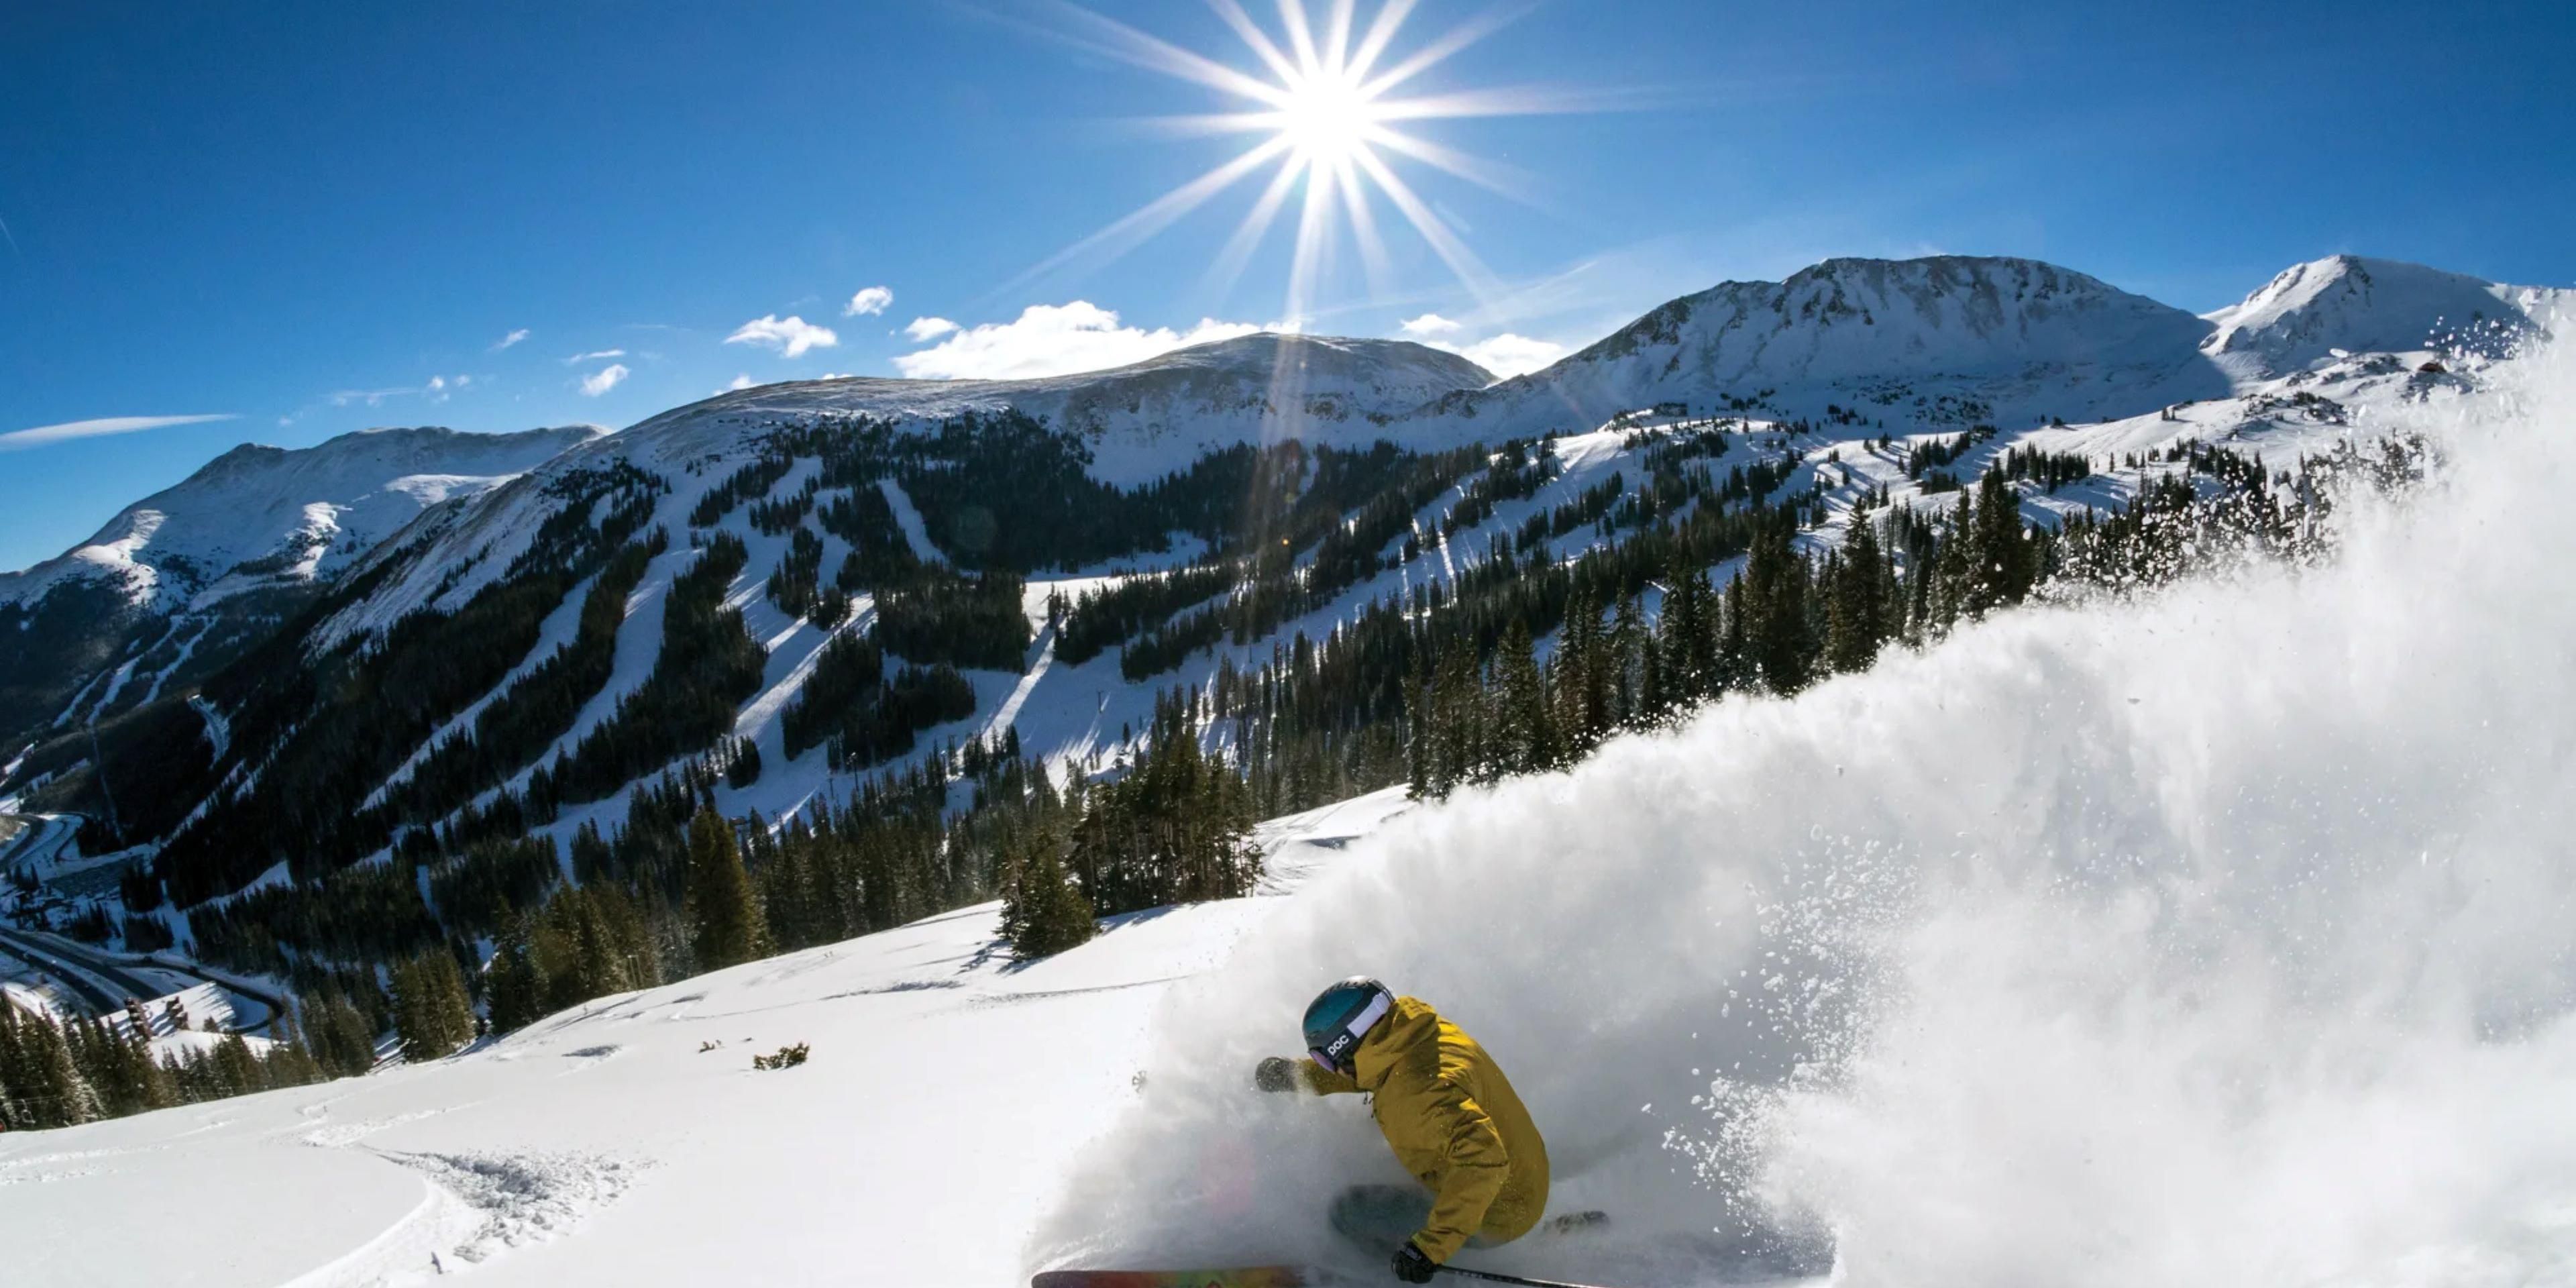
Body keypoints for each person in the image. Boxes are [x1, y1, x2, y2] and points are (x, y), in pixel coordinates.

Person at [1256, 977, 1549, 1283]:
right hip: (1525, 1181)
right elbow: (1370, 1067)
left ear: (1346, 1048)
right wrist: (1299, 1076)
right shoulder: (1414, 1033)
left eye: (1325, 1060)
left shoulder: (1418, 1095)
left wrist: (1429, 1250)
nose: (1331, 1068)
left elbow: (1485, 1162)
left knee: (1350, 1213)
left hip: (1499, 1212)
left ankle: (1382, 1278)